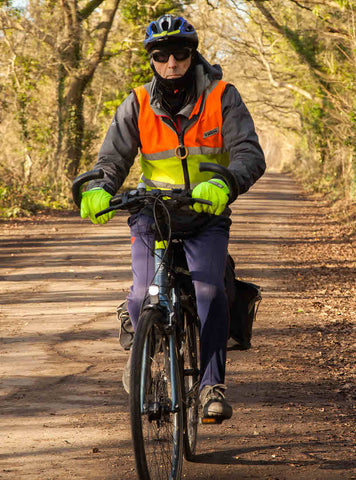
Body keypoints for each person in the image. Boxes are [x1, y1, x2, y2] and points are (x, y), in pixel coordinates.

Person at [80, 14, 266, 421]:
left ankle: (211, 386)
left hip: (205, 212)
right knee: (142, 293)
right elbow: (112, 160)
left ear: (192, 54)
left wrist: (226, 184)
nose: (171, 64)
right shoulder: (138, 103)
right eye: (161, 56)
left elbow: (249, 154)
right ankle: (145, 346)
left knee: (210, 293)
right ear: (151, 59)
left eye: (180, 55)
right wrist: (98, 189)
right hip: (153, 212)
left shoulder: (222, 97)